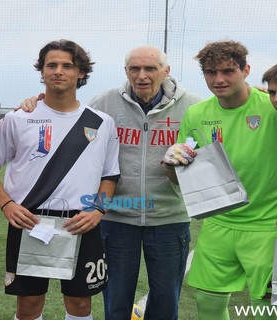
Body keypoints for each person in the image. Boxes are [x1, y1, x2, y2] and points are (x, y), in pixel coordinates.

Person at [20, 45, 202, 320]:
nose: (141, 75)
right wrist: (35, 104)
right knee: (116, 301)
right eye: (134, 69)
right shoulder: (104, 102)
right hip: (116, 220)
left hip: (169, 218)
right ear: (125, 71)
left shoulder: (192, 106)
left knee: (166, 302)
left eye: (150, 69)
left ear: (166, 71)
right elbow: (65, 118)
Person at [0, 39, 120, 320]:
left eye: (68, 65)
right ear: (41, 72)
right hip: (30, 222)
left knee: (80, 304)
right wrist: (7, 205)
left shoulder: (102, 122)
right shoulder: (18, 119)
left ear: (81, 73)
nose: (58, 71)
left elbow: (110, 175)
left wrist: (98, 209)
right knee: (29, 303)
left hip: (80, 222)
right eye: (51, 65)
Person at [163, 40, 277, 320]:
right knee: (208, 304)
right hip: (218, 224)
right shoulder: (197, 114)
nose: (219, 80)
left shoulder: (271, 106)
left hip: (267, 227)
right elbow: (181, 178)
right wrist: (171, 163)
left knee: (266, 310)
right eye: (211, 72)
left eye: (228, 71)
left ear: (246, 70)